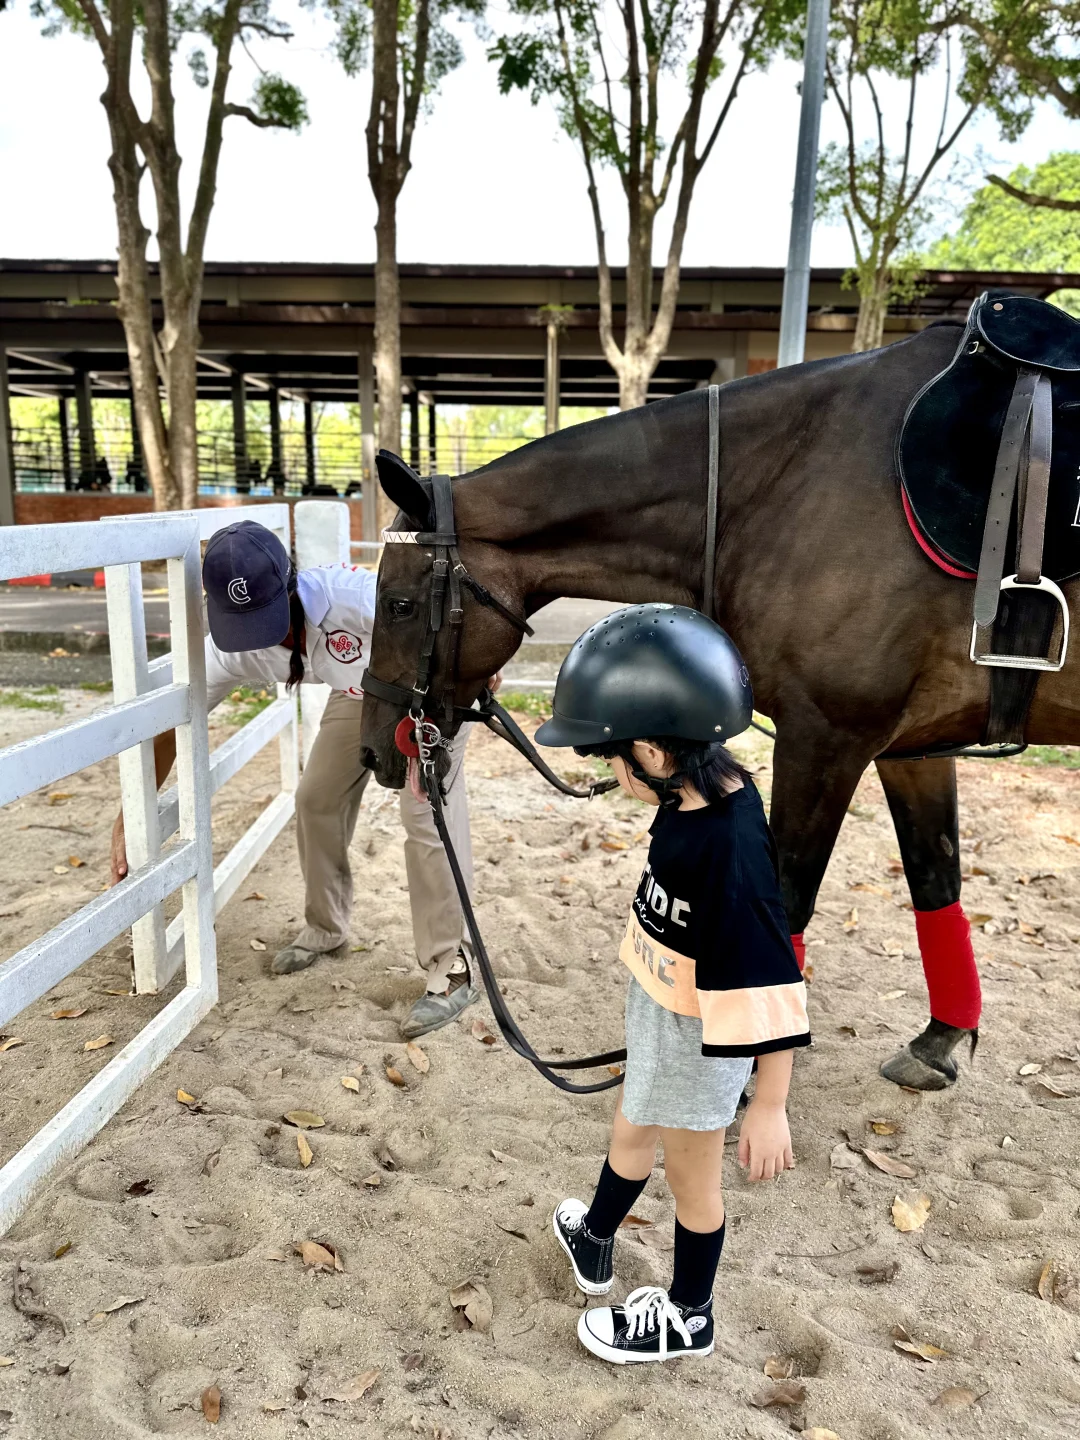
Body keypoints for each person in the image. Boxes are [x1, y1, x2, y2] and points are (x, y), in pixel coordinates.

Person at [534, 603, 810, 1365]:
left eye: (612, 757)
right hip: (662, 1005)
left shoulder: (734, 852)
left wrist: (771, 1103)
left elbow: (773, 978)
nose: (610, 772)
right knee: (630, 1128)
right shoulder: (692, 789)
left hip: (703, 1039)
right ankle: (596, 1240)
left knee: (692, 1177)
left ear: (653, 751)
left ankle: (690, 1314)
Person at [110, 519, 488, 1040]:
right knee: (315, 799)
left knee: (425, 815)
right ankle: (326, 927)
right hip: (358, 695)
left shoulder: (354, 598)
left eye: (267, 614)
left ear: (291, 582)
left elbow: (452, 625)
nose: (258, 636)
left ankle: (452, 969)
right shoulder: (230, 648)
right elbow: (176, 724)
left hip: (429, 692)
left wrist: (480, 671)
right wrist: (132, 811)